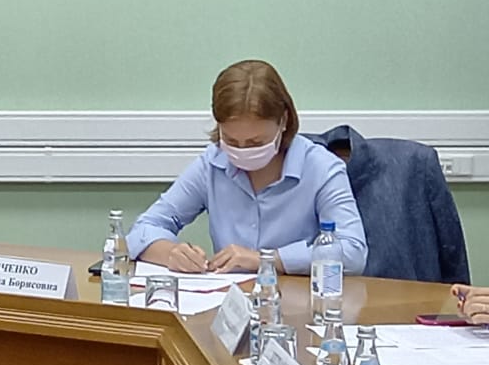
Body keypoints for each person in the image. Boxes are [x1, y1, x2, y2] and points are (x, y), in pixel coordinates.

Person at [126, 59, 367, 275]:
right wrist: (172, 253)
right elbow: (145, 228)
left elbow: (353, 252)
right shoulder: (212, 164)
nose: (242, 151)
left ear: (283, 121)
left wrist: (266, 260)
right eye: (231, 141)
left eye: (255, 143)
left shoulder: (322, 168)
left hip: (299, 301)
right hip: (228, 302)